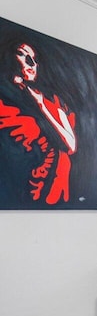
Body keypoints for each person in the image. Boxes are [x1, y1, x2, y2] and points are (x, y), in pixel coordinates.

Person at [0, 42, 77, 205]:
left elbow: (70, 145)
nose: (31, 64)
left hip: (54, 190)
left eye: (33, 59)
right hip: (26, 191)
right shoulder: (7, 101)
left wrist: (41, 105)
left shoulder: (53, 102)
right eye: (23, 55)